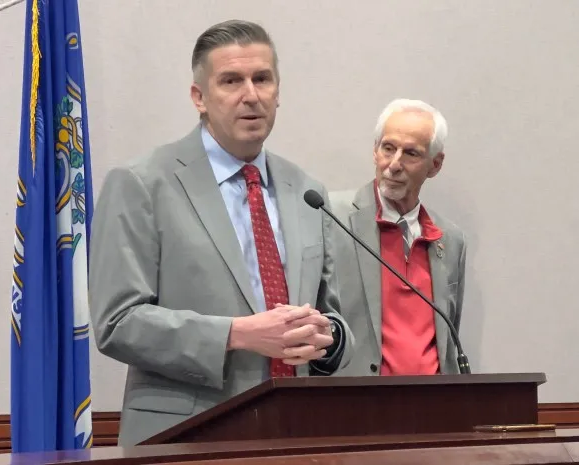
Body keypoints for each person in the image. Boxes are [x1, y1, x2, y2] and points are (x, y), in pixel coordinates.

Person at [89, 20, 354, 446]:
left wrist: (331, 337)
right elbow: (117, 322)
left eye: (262, 79)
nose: (251, 94)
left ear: (278, 92)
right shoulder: (142, 183)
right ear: (199, 97)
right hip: (186, 436)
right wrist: (237, 334)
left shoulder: (306, 191)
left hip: (295, 434)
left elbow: (331, 311)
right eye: (231, 80)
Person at [330, 99, 466, 376]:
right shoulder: (332, 217)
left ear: (435, 165)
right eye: (388, 148)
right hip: (355, 404)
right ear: (375, 151)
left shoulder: (450, 239)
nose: (394, 165)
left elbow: (450, 332)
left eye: (411, 154)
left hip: (433, 405)